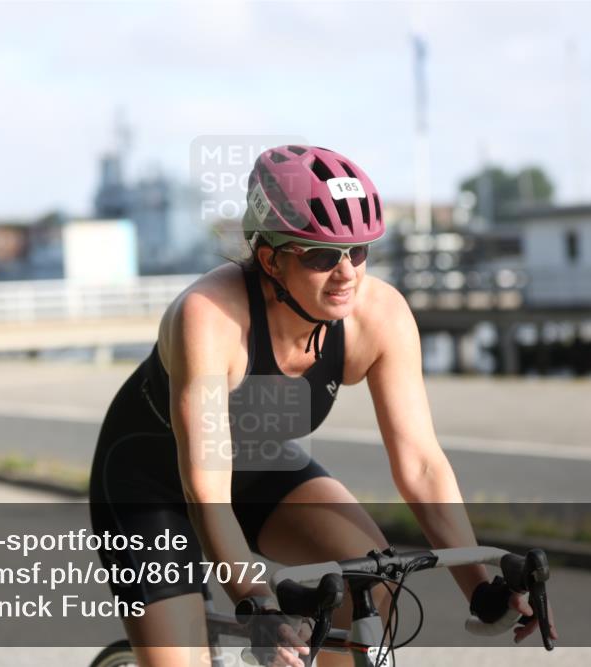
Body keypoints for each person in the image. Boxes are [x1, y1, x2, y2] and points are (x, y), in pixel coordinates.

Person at [89, 145, 556, 666]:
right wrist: (256, 604)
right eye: (320, 255)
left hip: (260, 467)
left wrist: (480, 588)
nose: (346, 273)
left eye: (358, 252)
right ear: (269, 258)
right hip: (149, 486)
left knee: (371, 581)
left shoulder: (379, 316)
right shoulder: (210, 317)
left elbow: (422, 465)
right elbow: (206, 489)